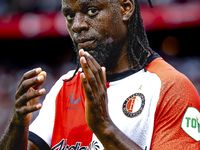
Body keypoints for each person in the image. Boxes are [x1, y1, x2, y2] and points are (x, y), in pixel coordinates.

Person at [0, 0, 200, 149]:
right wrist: (18, 123)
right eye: (69, 15)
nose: (77, 25)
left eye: (91, 11)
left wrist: (104, 127)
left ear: (125, 8)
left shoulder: (172, 87)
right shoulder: (64, 86)